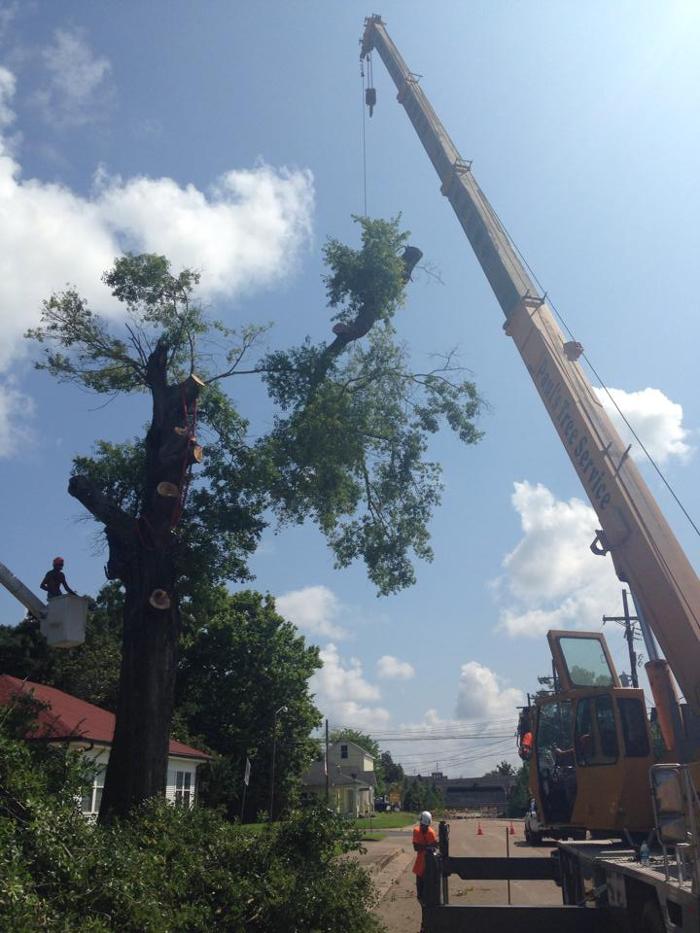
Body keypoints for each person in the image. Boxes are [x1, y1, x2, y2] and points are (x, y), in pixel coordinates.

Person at [412, 810, 438, 904]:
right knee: (420, 885)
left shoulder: (431, 833)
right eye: (423, 825)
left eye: (425, 826)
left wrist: (425, 847)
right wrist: (427, 847)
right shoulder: (416, 831)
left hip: (429, 863)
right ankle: (421, 897)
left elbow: (435, 846)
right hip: (421, 862)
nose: (423, 827)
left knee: (429, 884)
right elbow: (416, 847)